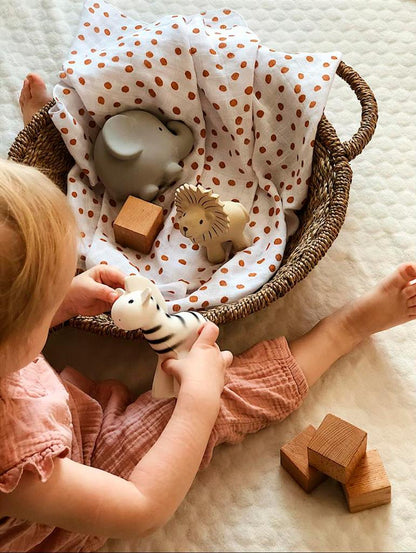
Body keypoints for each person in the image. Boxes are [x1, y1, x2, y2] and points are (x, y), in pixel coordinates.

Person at [0, 75, 414, 553]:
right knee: (220, 397)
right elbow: (142, 509)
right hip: (85, 467)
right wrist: (199, 401)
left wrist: (61, 304)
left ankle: (54, 140)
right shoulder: (15, 464)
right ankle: (344, 331)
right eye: (46, 302)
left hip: (48, 406)